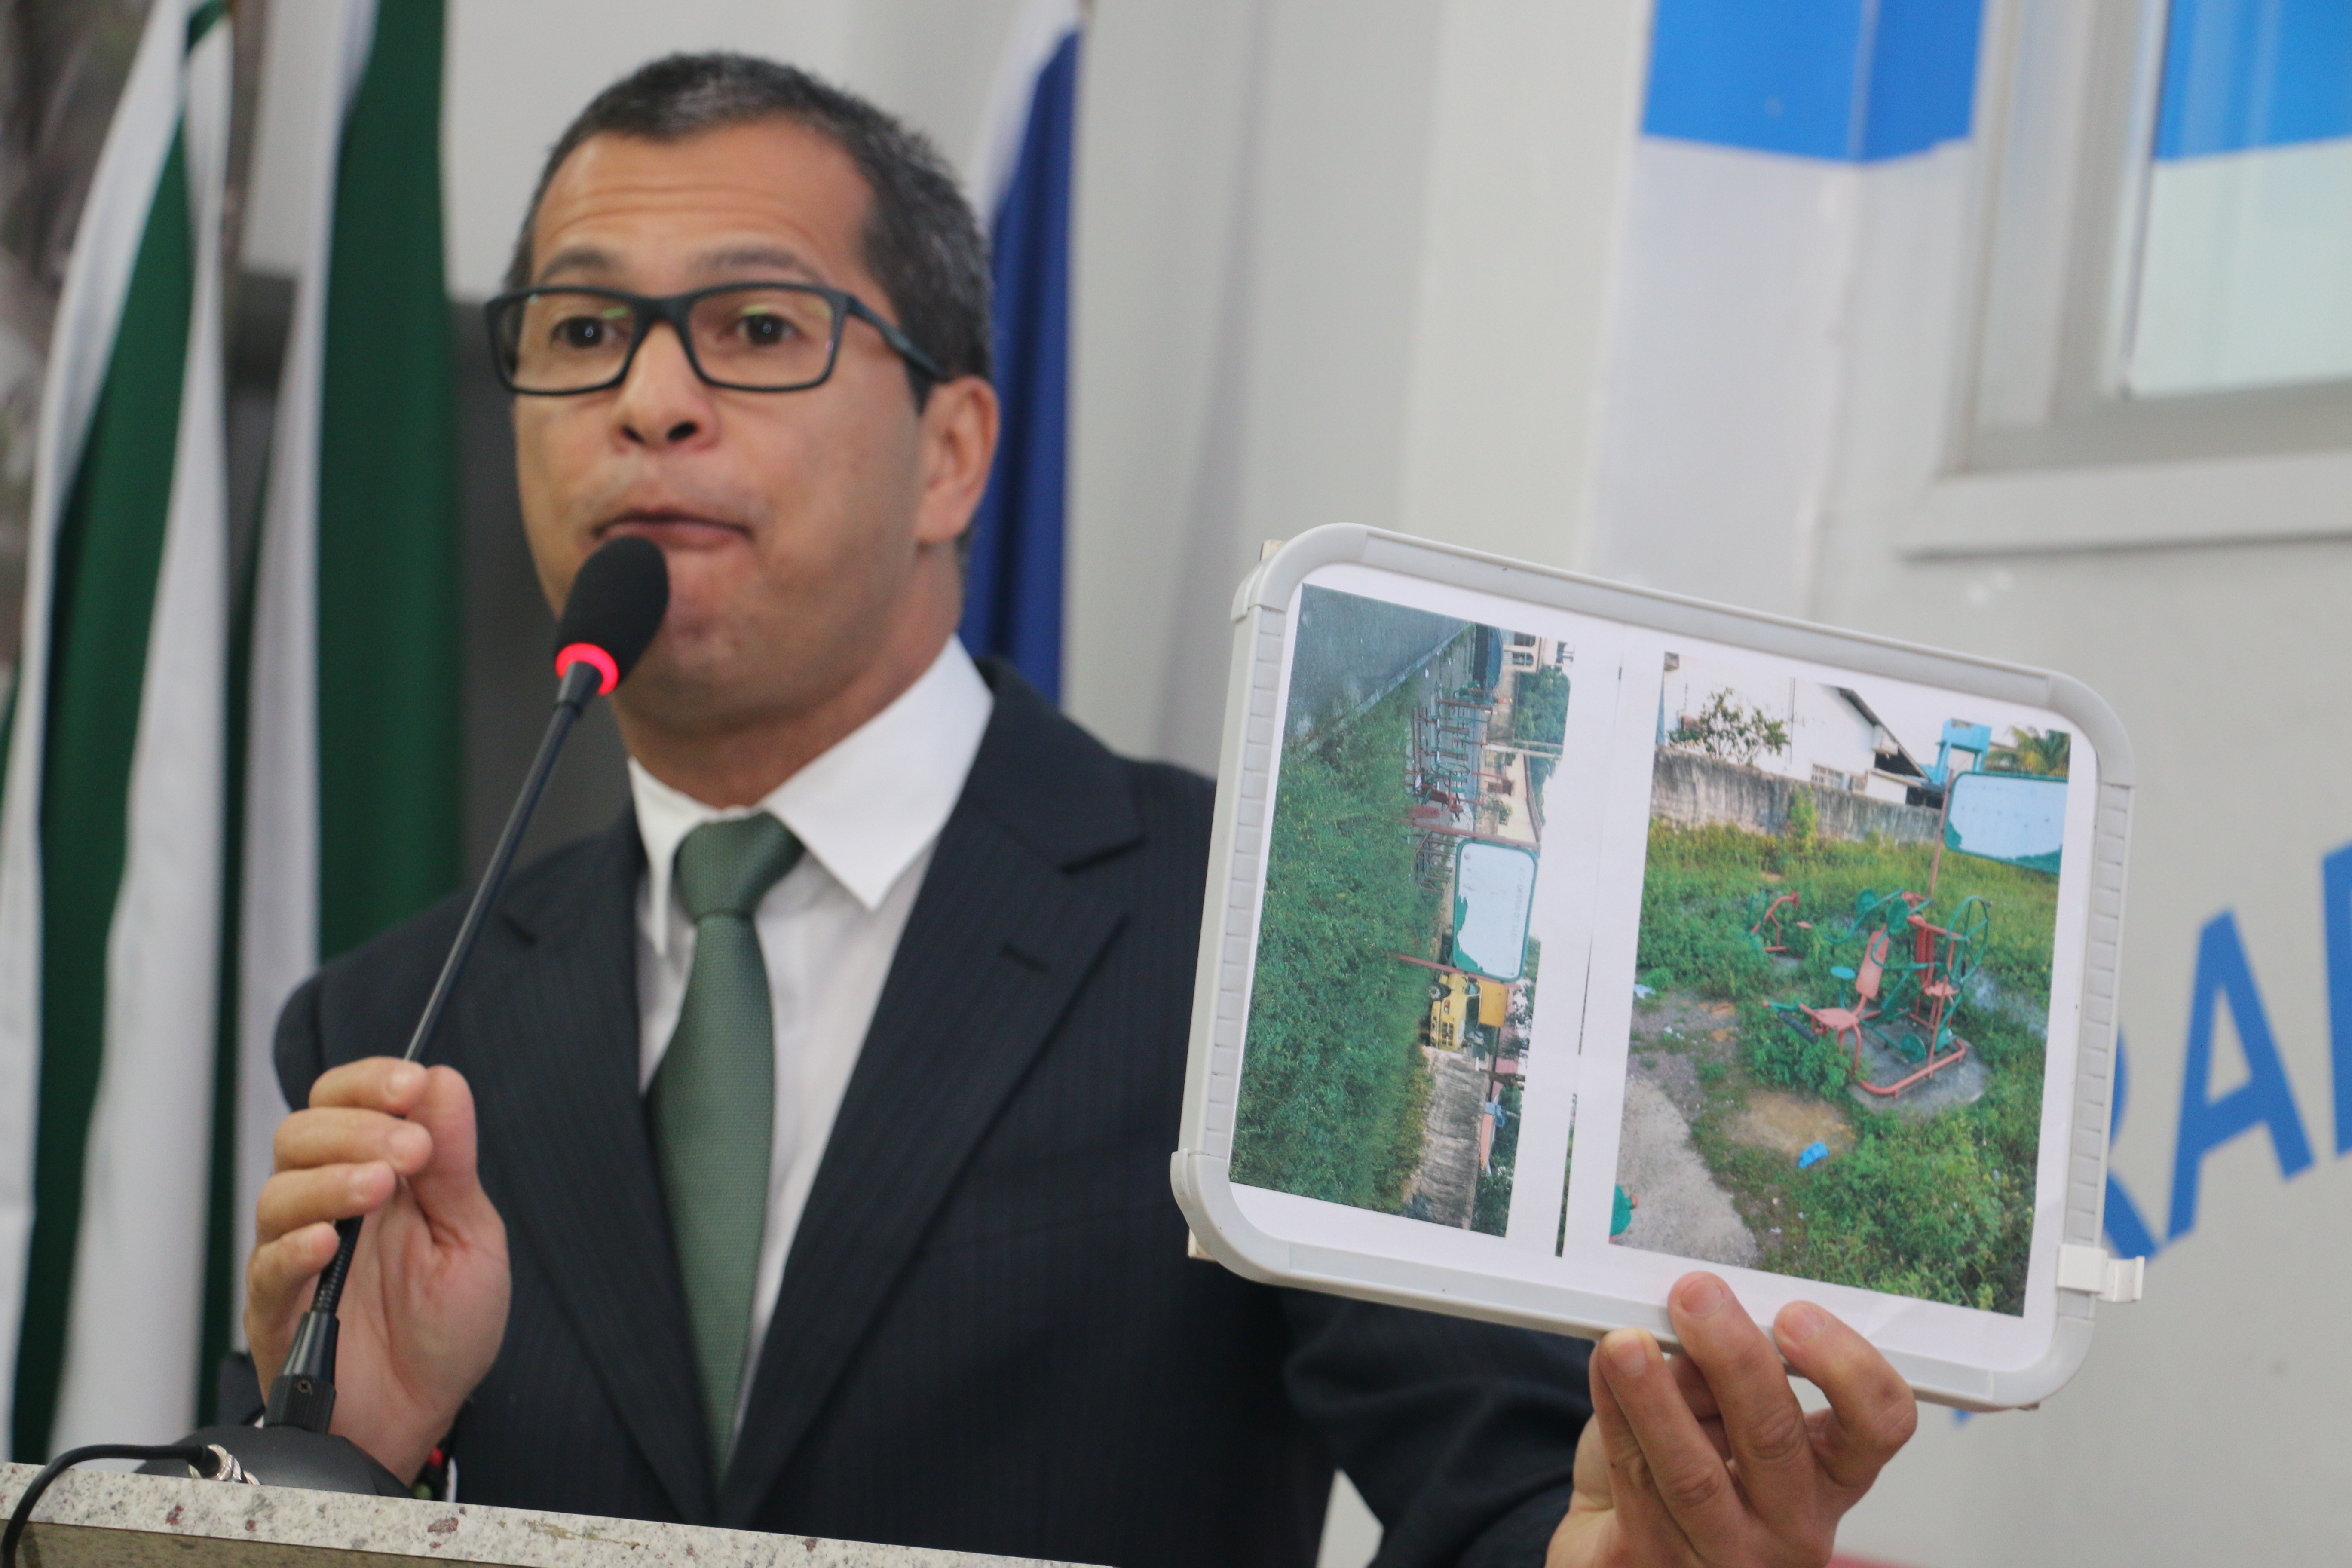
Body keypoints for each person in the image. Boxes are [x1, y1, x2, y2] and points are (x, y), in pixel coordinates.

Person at [244, 54, 1915, 1568]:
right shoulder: (398, 1025)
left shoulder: (1260, 932)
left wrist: (1620, 1557)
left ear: (954, 454)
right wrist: (348, 1460)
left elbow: (1509, 1496)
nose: (647, 400)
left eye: (755, 328)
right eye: (580, 332)